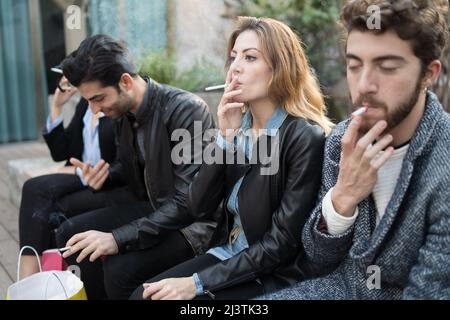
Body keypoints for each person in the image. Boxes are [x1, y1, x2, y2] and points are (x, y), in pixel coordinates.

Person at [130, 16, 333, 300]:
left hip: (271, 273)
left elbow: (280, 244)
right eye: (233, 57)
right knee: (142, 295)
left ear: (280, 67)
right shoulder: (240, 125)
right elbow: (198, 204)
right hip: (228, 252)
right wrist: (224, 137)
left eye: (250, 58)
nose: (235, 67)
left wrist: (196, 283)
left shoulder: (303, 137)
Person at [261, 0, 450, 300]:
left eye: (386, 67)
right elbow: (319, 260)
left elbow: (430, 290)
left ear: (429, 73)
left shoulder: (444, 161)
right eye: (354, 65)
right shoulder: (341, 139)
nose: (363, 85)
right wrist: (343, 198)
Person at [54, 34, 219, 299]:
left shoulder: (186, 110)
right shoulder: (123, 112)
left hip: (193, 226)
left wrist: (117, 238)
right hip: (157, 207)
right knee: (73, 237)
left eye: (98, 98)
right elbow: (131, 167)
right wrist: (107, 175)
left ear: (126, 82)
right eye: (88, 101)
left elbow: (189, 202)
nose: (94, 109)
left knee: (120, 269)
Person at [18, 72, 134, 279]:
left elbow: (123, 162)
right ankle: (31, 281)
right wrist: (57, 106)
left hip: (105, 181)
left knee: (43, 198)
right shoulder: (84, 105)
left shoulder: (115, 105)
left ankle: (30, 281)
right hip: (81, 176)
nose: (67, 83)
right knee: (34, 189)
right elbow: (61, 152)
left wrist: (78, 170)